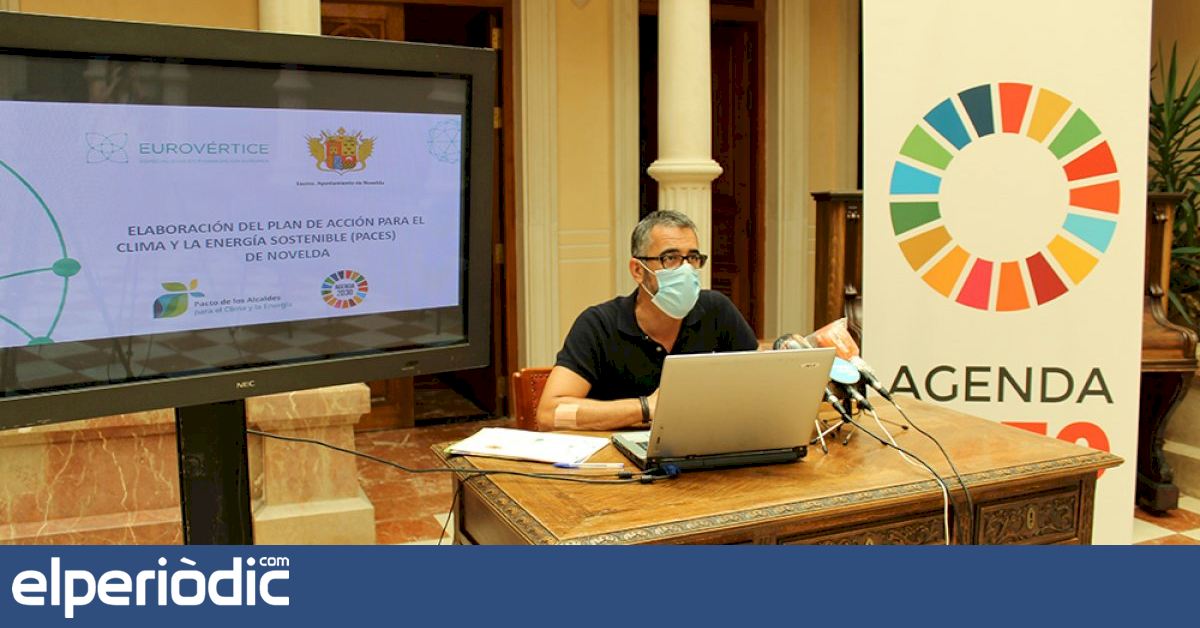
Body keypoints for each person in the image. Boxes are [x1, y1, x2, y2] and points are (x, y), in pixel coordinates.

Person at [535, 210, 758, 431]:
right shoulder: (598, 325)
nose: (686, 270)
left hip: (703, 444)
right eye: (670, 258)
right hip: (617, 451)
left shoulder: (717, 310)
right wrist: (645, 408)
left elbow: (759, 387)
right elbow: (550, 414)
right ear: (637, 271)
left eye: (692, 258)